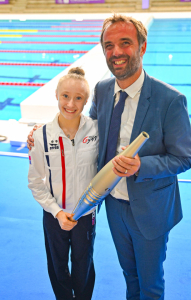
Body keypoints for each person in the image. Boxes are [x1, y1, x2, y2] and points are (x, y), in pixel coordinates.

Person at [28, 14, 191, 300]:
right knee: (130, 276)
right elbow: (87, 129)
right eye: (109, 45)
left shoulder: (170, 99)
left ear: (142, 47)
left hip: (150, 209)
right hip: (114, 206)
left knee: (151, 285)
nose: (116, 52)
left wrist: (142, 165)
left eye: (125, 43)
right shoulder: (103, 90)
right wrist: (43, 131)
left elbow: (184, 158)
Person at [28, 67, 99, 300]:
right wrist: (57, 212)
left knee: (84, 265)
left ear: (86, 101)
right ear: (57, 96)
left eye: (79, 98)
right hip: (54, 215)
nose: (71, 103)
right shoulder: (41, 136)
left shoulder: (96, 131)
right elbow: (36, 183)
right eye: (65, 96)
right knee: (58, 266)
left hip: (85, 214)